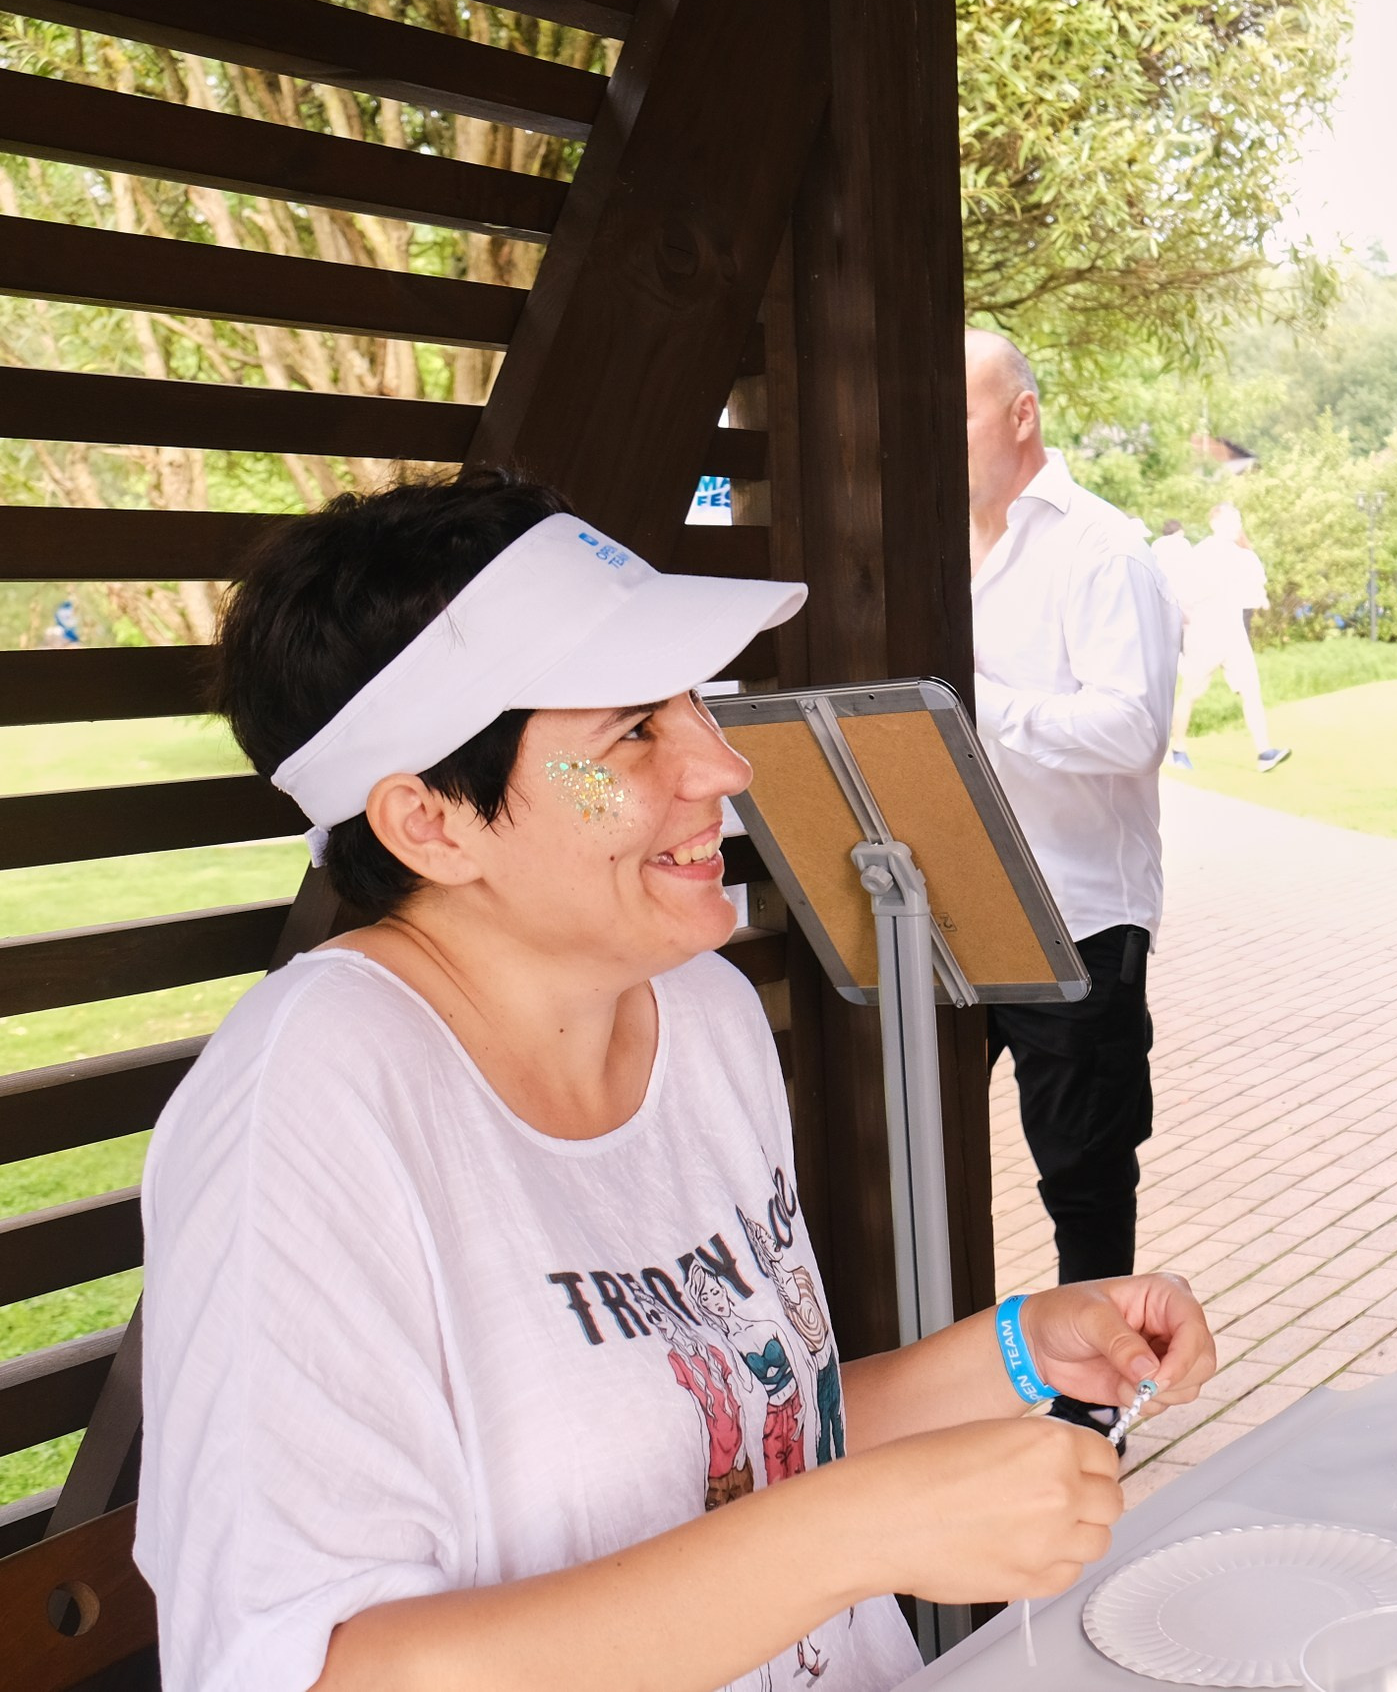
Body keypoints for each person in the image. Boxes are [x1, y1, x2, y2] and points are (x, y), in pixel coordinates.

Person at [137, 470, 1217, 1692]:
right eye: (633, 732)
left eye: (692, 703)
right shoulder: (308, 1111)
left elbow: (729, 1441)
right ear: (429, 822)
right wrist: (855, 1530)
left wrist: (1016, 1355)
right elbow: (314, 1671)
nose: (721, 765)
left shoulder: (696, 1012)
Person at [963, 329, 1184, 1422]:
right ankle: (948, 1393)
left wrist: (977, 703)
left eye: (955, 413)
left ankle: (1095, 1412)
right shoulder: (928, 548)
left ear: (1020, 415)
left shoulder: (1103, 551)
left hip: (1079, 918)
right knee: (925, 1161)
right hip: (947, 915)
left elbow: (1132, 729)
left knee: (1084, 1179)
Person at [1166, 501, 1289, 772]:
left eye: (1238, 521)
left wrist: (1260, 597)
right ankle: (1177, 749)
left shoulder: (1242, 557)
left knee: (1251, 690)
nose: (1236, 527)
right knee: (1191, 693)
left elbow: (1254, 592)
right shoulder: (1202, 554)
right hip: (1205, 634)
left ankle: (1264, 752)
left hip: (1234, 634)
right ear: (1215, 523)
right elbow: (1184, 595)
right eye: (1231, 521)